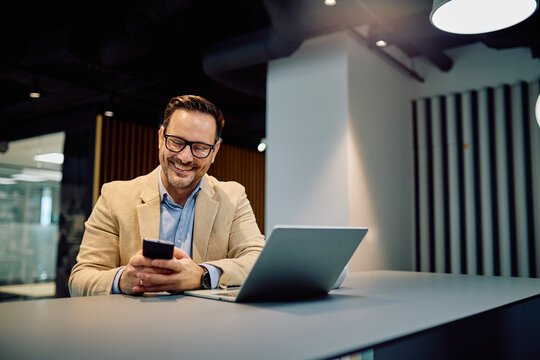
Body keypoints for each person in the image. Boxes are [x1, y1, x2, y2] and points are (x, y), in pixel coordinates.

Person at [69, 95, 265, 296]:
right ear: (161, 138)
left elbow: (258, 260)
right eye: (177, 142)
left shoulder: (233, 197)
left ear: (214, 152)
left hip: (207, 325)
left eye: (199, 148)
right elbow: (80, 279)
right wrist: (122, 280)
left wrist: (202, 275)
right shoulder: (114, 197)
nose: (185, 157)